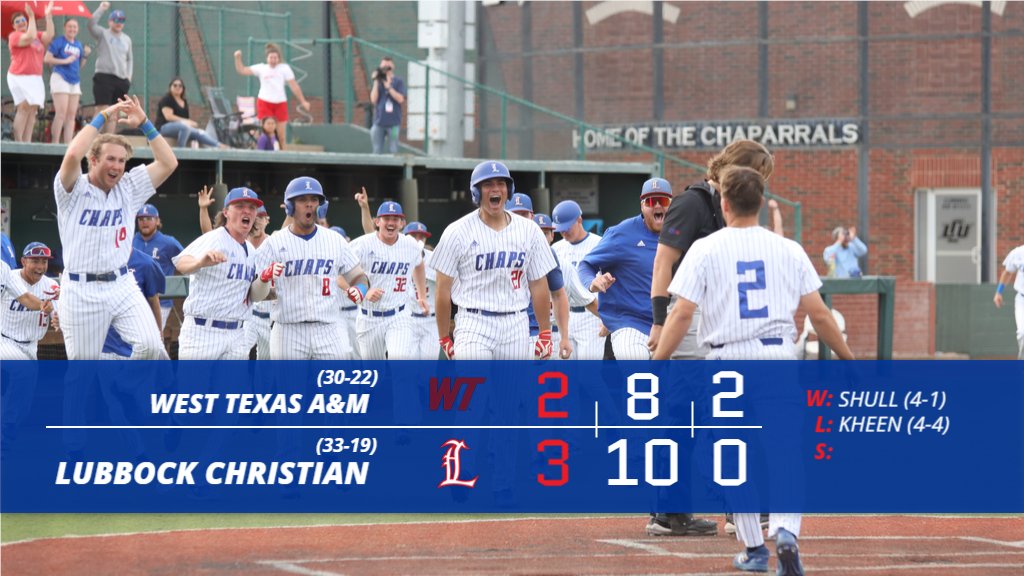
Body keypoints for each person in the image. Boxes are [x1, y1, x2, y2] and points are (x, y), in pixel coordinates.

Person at [654, 166, 853, 576]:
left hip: (727, 361)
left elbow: (681, 314)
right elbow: (819, 314)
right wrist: (850, 361)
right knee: (784, 455)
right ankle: (786, 534)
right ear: (761, 203)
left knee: (733, 457)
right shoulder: (788, 248)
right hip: (778, 358)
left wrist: (656, 365)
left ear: (723, 203)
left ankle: (754, 548)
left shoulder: (705, 250)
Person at [54, 95, 177, 360]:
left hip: (121, 282)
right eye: (111, 159)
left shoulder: (128, 187)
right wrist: (104, 116)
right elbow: (73, 153)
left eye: (122, 161)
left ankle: (119, 390)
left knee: (151, 346)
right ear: (94, 160)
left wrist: (144, 122)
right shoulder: (74, 188)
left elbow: (169, 163)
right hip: (80, 288)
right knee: (83, 378)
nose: (118, 166)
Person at [430, 161, 557, 360]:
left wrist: (545, 332)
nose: (496, 189)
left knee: (511, 392)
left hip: (516, 322)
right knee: (476, 388)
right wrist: (444, 336)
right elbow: (442, 289)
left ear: (509, 190)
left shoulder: (530, 230)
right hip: (473, 322)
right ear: (477, 191)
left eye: (501, 183)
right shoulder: (456, 232)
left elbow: (539, 284)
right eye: (488, 184)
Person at [250, 177, 369, 360]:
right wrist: (264, 280)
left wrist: (360, 289)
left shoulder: (334, 240)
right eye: (302, 200)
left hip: (329, 328)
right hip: (288, 330)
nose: (309, 205)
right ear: (290, 206)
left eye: (314, 200)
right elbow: (255, 293)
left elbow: (359, 276)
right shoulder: (274, 243)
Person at [578, 177, 675, 361]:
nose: (657, 207)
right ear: (642, 205)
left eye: (662, 201)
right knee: (637, 368)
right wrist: (592, 282)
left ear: (671, 203)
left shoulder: (680, 232)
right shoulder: (622, 233)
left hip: (667, 324)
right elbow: (586, 265)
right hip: (630, 323)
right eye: (650, 201)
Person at [173, 188, 261, 360]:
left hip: (237, 333)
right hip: (203, 331)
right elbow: (182, 263)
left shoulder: (251, 250)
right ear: (226, 212)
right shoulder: (214, 238)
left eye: (251, 207)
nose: (247, 211)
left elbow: (252, 292)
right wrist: (199, 263)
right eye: (240, 206)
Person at [347, 201, 428, 359]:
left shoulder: (410, 244)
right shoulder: (361, 245)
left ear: (402, 223)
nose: (391, 223)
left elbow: (419, 265)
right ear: (377, 222)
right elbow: (340, 274)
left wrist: (422, 295)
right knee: (374, 375)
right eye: (386, 218)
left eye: (395, 219)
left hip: (399, 315)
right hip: (369, 316)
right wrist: (364, 291)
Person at [506, 193, 572, 360]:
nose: (519, 219)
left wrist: (564, 337)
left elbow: (558, 294)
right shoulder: (491, 246)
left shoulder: (545, 250)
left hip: (535, 332)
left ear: (531, 216)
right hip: (501, 331)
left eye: (523, 214)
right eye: (514, 214)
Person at [551, 200, 603, 360]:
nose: (564, 233)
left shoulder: (599, 244)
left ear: (579, 220)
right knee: (565, 376)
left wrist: (606, 316)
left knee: (589, 376)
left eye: (567, 227)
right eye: (560, 230)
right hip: (565, 316)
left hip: (590, 317)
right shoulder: (556, 248)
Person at [234, 43, 310, 150]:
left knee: (281, 136)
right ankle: (259, 155)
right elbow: (242, 70)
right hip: (265, 102)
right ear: (267, 58)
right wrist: (237, 58)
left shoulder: (284, 68)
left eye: (275, 57)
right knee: (264, 133)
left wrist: (303, 101)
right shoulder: (261, 68)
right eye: (271, 57)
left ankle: (283, 158)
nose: (273, 60)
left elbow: (294, 86)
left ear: (279, 58)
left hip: (280, 103)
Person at [99, 248, 164, 359]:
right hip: (106, 345)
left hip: (137, 345)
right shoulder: (97, 263)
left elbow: (154, 300)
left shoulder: (146, 263)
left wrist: (159, 334)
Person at [0, 242, 59, 360]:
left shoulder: (51, 285)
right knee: (22, 369)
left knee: (26, 376)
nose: (40, 267)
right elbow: (26, 298)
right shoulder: (9, 277)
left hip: (32, 345)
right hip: (5, 341)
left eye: (44, 261)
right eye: (35, 261)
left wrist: (59, 320)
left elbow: (57, 315)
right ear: (23, 262)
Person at [7, 2, 55, 142]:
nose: (21, 23)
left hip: (35, 77)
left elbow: (49, 35)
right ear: (14, 26)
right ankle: (18, 141)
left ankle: (27, 142)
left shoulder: (38, 36)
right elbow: (30, 36)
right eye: (18, 21)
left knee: (32, 110)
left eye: (23, 20)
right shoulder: (14, 36)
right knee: (24, 107)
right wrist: (31, 16)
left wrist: (49, 17)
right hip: (19, 76)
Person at [133, 203, 183, 330]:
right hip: (133, 301)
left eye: (149, 218)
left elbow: (186, 259)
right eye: (141, 219)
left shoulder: (168, 242)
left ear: (157, 221)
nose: (144, 222)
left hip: (161, 302)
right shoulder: (130, 241)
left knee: (152, 338)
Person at [88, 3, 133, 134]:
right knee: (102, 109)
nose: (119, 23)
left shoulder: (127, 39)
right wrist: (101, 8)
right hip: (104, 76)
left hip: (121, 79)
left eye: (122, 20)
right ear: (110, 21)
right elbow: (91, 24)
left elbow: (130, 59)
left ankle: (109, 140)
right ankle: (92, 139)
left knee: (114, 112)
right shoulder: (103, 34)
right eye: (116, 20)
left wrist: (128, 77)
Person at [45, 17, 90, 144]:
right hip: (60, 78)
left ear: (78, 29)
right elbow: (47, 58)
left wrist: (85, 54)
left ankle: (68, 144)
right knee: (61, 113)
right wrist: (64, 61)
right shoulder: (59, 42)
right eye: (70, 26)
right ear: (65, 28)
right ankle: (54, 143)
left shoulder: (78, 45)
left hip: (74, 81)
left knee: (71, 116)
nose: (72, 29)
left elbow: (79, 65)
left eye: (74, 27)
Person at [403, 221, 441, 359]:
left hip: (431, 320)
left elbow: (447, 283)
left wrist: (423, 268)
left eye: (422, 237)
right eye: (414, 236)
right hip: (408, 319)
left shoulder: (434, 258)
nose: (418, 240)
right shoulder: (398, 256)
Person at [155, 78, 221, 148]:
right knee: (185, 128)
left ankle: (219, 145)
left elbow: (185, 120)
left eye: (180, 86)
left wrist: (190, 123)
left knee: (199, 133)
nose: (178, 87)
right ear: (170, 87)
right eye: (175, 85)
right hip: (163, 128)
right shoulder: (166, 99)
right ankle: (181, 151)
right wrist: (187, 121)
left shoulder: (184, 101)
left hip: (181, 127)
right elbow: (168, 117)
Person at [369, 56, 406, 154]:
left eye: (388, 66)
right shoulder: (378, 82)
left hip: (393, 124)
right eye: (384, 66)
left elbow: (401, 99)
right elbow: (373, 100)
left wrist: (388, 87)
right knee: (376, 150)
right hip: (379, 122)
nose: (386, 68)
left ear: (392, 67)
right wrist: (376, 81)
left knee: (393, 149)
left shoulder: (398, 81)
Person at [994, 243, 1024, 360]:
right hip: (1022, 300)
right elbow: (1007, 272)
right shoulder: (1019, 252)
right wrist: (998, 292)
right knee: (1022, 333)